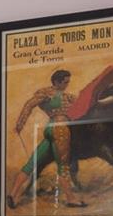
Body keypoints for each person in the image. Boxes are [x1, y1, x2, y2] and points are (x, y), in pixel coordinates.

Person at [7, 68, 85, 208]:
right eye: (65, 82)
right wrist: (20, 124)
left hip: (50, 129)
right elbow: (29, 105)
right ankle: (71, 199)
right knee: (63, 166)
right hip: (60, 130)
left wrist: (20, 124)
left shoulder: (57, 94)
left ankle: (13, 194)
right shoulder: (53, 94)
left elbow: (28, 105)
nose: (67, 84)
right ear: (56, 82)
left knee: (31, 163)